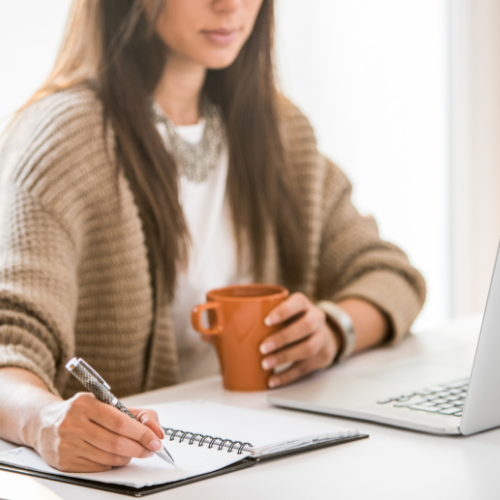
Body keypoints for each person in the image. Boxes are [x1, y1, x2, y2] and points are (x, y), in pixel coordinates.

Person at [0, 0, 425, 473]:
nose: (230, 6)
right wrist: (42, 419)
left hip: (269, 465)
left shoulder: (278, 129)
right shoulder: (63, 140)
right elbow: (8, 346)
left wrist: (332, 330)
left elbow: (390, 274)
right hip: (144, 474)